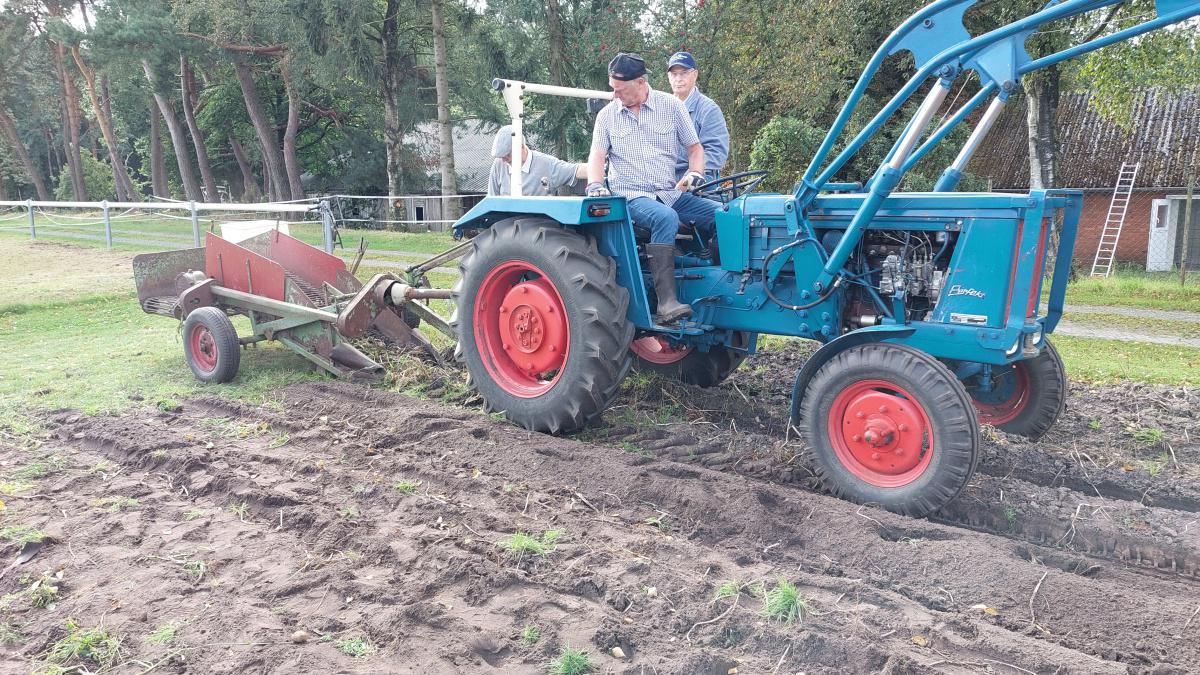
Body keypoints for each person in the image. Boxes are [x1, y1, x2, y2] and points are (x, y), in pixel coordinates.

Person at [587, 52, 719, 324]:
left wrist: (695, 172)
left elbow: (695, 148)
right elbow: (597, 156)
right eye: (613, 89)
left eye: (621, 90)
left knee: (725, 215)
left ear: (641, 82)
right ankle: (666, 302)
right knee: (665, 218)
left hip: (669, 193)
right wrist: (596, 184)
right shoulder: (607, 116)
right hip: (631, 195)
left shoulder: (671, 106)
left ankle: (718, 286)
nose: (615, 95)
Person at [665, 52, 729, 181]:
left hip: (698, 182)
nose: (678, 79)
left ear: (694, 75)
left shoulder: (709, 109)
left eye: (683, 73)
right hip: (664, 180)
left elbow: (716, 153)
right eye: (674, 74)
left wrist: (690, 176)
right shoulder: (661, 108)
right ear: (668, 77)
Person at [487, 125, 587, 196]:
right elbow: (492, 199)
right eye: (501, 156)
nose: (503, 160)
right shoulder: (498, 164)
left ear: (521, 146)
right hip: (506, 222)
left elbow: (576, 170)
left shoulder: (547, 164)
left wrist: (600, 167)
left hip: (537, 222)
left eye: (507, 154)